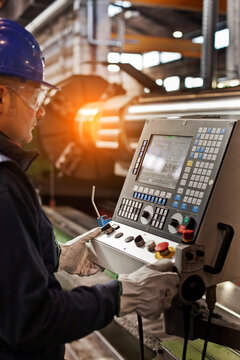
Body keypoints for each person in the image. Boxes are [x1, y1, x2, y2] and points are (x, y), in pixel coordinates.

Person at [0, 18, 179, 360]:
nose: (40, 112)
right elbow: (31, 321)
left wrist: (55, 255)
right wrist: (122, 295)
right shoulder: (5, 184)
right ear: (1, 97)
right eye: (34, 96)